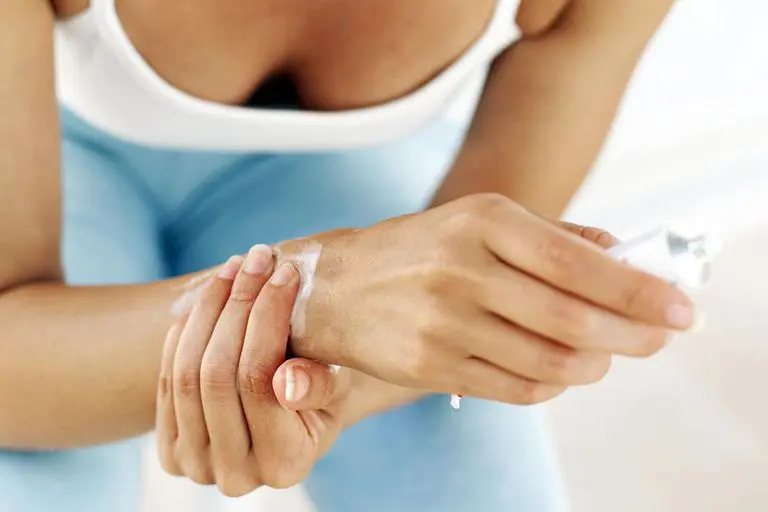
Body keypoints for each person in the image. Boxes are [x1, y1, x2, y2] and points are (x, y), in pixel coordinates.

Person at [0, 0, 690, 511]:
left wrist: (331, 389)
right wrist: (310, 303)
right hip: (53, 157)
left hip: (331, 174)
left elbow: (473, 296)